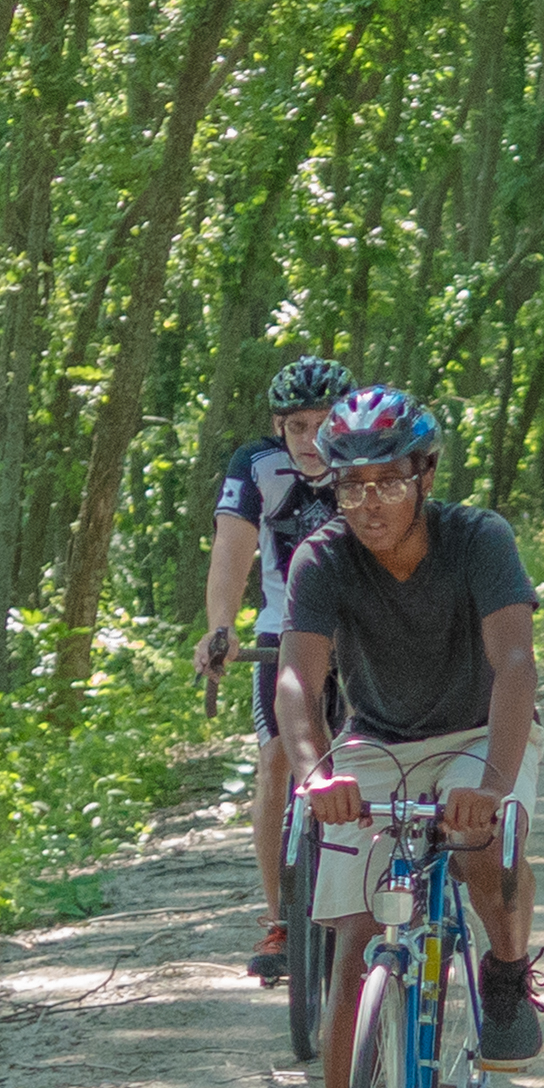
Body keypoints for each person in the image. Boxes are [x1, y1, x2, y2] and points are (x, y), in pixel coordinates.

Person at [274, 385, 544, 1088]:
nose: (367, 504)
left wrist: (494, 782)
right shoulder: (321, 558)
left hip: (478, 729)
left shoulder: (479, 540)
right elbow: (296, 679)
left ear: (424, 475)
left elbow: (515, 665)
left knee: (474, 845)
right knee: (354, 942)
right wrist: (316, 773)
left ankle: (504, 969)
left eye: (387, 483)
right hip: (376, 743)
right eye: (350, 486)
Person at [198, 355, 353, 985]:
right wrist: (220, 627)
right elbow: (232, 549)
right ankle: (280, 917)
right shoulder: (255, 466)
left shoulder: (370, 457)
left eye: (324, 425)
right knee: (276, 761)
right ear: (278, 427)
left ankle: (359, 904)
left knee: (362, 761)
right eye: (298, 427)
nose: (312, 440)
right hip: (284, 632)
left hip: (363, 634)